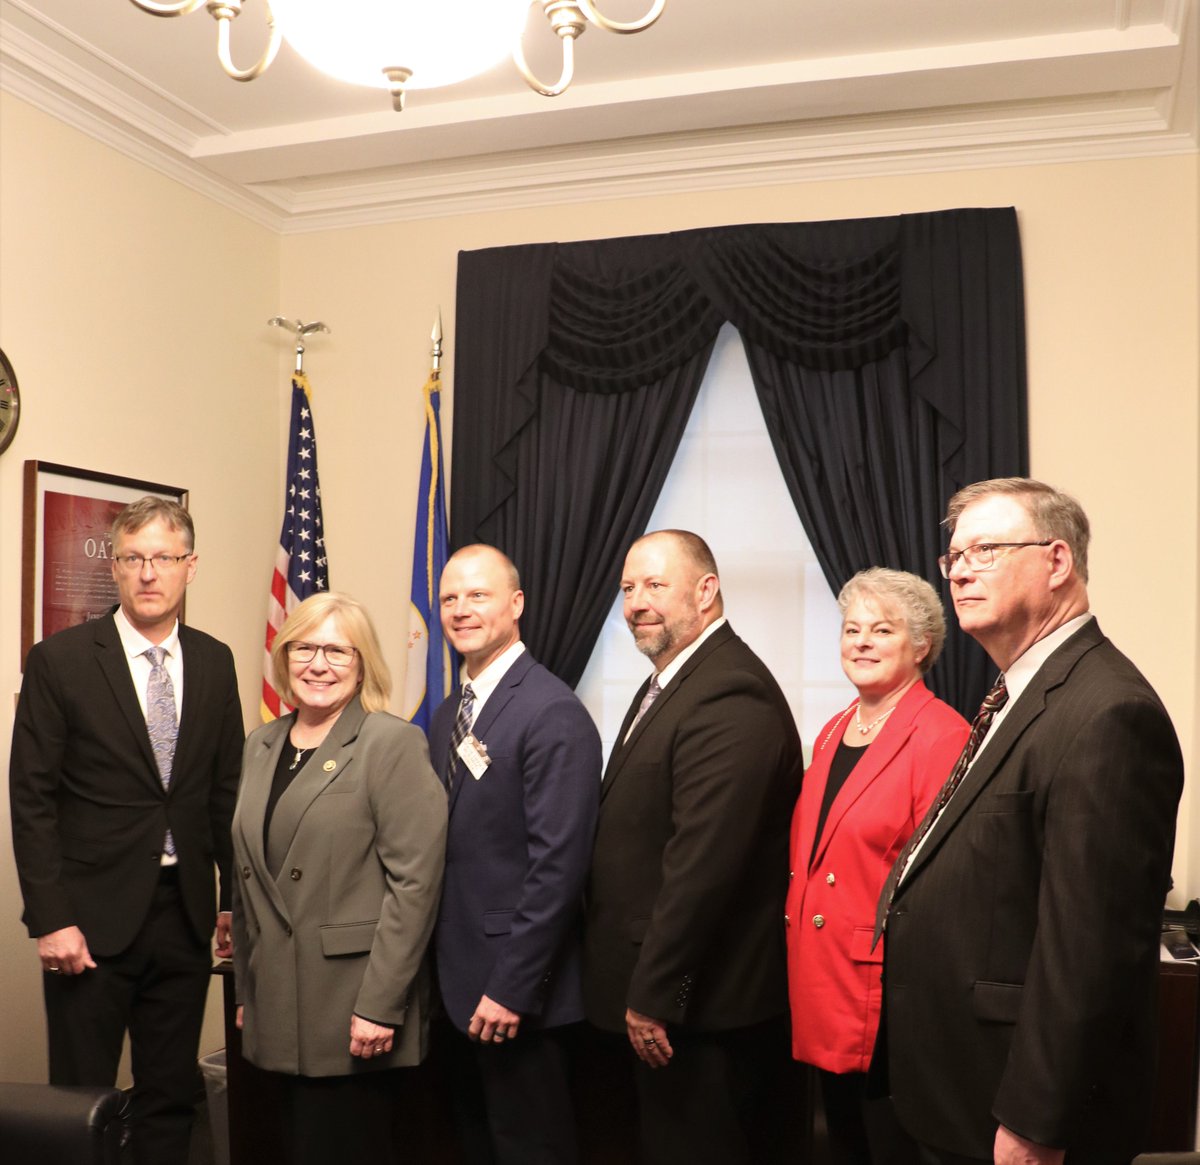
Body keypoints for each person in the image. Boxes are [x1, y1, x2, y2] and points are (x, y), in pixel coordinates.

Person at [874, 478, 1184, 1165]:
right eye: (953, 555)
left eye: (985, 548)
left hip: (1019, 1117)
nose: (959, 568)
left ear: (1057, 562)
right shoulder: (1021, 691)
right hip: (956, 1090)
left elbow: (1089, 948)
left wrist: (1037, 1120)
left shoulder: (1107, 712)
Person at [9, 496, 244, 1164]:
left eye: (164, 558)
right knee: (82, 1101)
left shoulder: (216, 660)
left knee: (170, 1095)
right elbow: (32, 798)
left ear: (189, 567)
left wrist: (229, 898)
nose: (149, 573)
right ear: (113, 567)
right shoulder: (61, 659)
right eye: (134, 558)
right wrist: (51, 917)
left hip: (184, 912)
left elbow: (226, 791)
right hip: (88, 924)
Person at [583, 529, 804, 1165]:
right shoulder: (672, 683)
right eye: (628, 589)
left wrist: (654, 993)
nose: (635, 603)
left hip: (698, 1011)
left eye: (655, 585)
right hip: (662, 1002)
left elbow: (703, 863)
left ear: (706, 591)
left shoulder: (730, 690)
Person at [231, 591, 447, 1165]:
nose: (318, 664)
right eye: (304, 647)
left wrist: (380, 1004)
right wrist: (248, 991)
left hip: (351, 1006)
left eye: (336, 651)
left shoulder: (390, 743)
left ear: (362, 663)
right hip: (276, 1002)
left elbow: (415, 886)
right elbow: (249, 879)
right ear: (284, 655)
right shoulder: (261, 745)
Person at [787, 568, 969, 1165]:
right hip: (821, 972)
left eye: (882, 630)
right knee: (838, 1142)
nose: (861, 641)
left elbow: (942, 885)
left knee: (883, 1146)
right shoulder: (835, 728)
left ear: (921, 646)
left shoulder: (942, 734)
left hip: (885, 989)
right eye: (851, 629)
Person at [428, 544, 601, 1164]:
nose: (461, 610)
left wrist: (511, 987)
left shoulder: (552, 712)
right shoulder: (450, 712)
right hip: (454, 989)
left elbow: (558, 869)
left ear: (516, 603)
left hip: (515, 994)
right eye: (450, 598)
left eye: (478, 595)